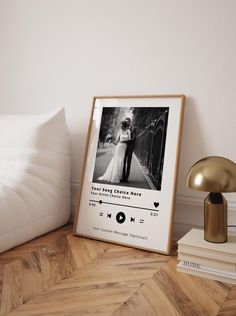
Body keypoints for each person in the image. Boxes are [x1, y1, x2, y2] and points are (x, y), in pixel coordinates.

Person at [121, 117, 136, 182]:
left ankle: (126, 178)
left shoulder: (134, 128)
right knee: (123, 162)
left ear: (130, 122)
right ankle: (123, 177)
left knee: (128, 163)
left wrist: (126, 141)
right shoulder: (123, 129)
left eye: (128, 121)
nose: (127, 122)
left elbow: (134, 138)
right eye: (126, 121)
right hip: (123, 147)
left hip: (130, 148)